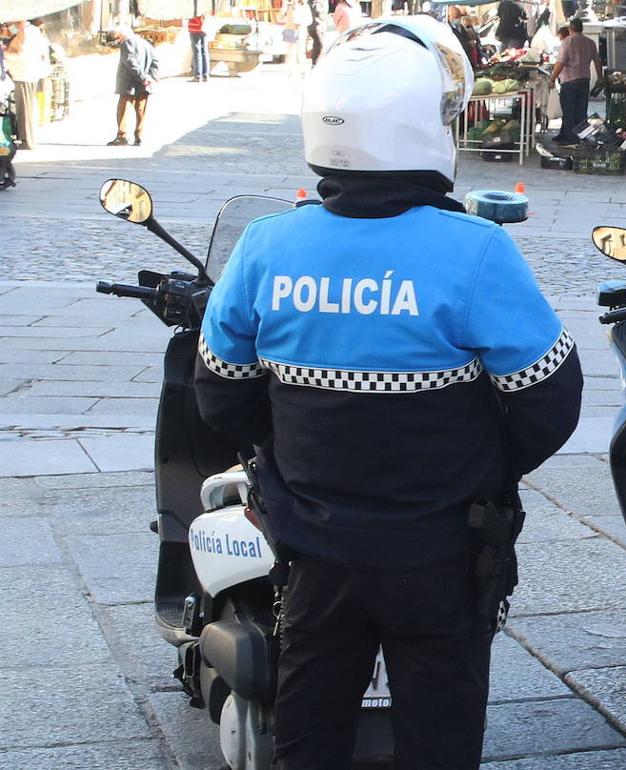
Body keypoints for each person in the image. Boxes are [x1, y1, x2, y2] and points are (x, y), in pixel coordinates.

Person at [194, 16, 583, 770]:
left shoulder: (268, 244)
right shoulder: (474, 250)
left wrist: (285, 458)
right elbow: (549, 399)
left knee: (309, 725)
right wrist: (480, 468)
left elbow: (220, 395)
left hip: (313, 547)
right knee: (439, 731)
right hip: (440, 551)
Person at [550, 17, 601, 144]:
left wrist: (552, 78)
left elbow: (560, 63)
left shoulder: (567, 42)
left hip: (569, 82)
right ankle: (577, 136)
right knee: (581, 111)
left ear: (570, 28)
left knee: (568, 112)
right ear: (581, 28)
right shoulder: (590, 43)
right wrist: (600, 78)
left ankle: (570, 139)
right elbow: (597, 62)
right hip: (584, 81)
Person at [4, 20, 51, 149]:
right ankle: (27, 139)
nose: (10, 27)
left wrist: (4, 54)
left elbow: (22, 55)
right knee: (26, 108)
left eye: (11, 24)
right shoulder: (31, 31)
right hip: (26, 74)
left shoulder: (26, 33)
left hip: (24, 74)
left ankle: (27, 141)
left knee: (24, 109)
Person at [109, 27, 158, 147]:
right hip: (144, 84)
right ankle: (139, 137)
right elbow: (155, 61)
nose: (117, 42)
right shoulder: (146, 44)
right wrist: (150, 77)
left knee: (123, 109)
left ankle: (122, 136)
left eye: (117, 39)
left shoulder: (127, 43)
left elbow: (130, 62)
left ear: (121, 36)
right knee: (141, 110)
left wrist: (143, 77)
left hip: (129, 83)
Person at [284, 0, 312, 76]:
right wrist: (284, 7)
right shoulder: (287, 5)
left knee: (301, 52)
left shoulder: (305, 6)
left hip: (301, 30)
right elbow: (279, 17)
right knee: (290, 52)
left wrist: (302, 23)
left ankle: (303, 71)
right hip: (289, 30)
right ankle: (291, 71)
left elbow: (310, 20)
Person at [188, 15, 209, 81]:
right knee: (204, 52)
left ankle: (197, 75)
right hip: (204, 28)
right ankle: (205, 75)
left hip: (194, 27)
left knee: (197, 52)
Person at [308, 0, 328, 65]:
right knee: (320, 45)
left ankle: (316, 63)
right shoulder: (314, 2)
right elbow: (317, 11)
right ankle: (315, 63)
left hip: (320, 26)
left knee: (317, 45)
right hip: (315, 26)